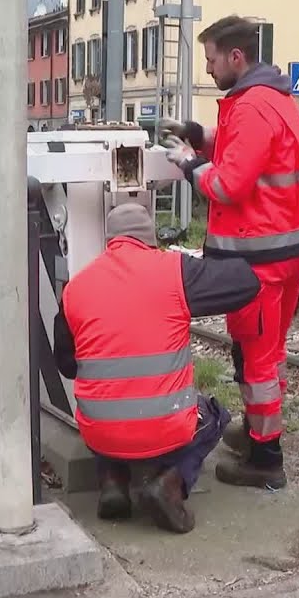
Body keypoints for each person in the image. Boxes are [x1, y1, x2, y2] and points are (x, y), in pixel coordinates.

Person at [160, 15, 299, 490]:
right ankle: (257, 430)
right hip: (289, 246)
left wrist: (189, 164)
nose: (208, 69)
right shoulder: (274, 97)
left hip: (259, 257)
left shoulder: (251, 106)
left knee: (254, 358)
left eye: (210, 60)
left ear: (235, 57)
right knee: (270, 351)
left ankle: (266, 458)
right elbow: (240, 149)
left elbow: (228, 185)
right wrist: (196, 132)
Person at [52, 203, 261, 533]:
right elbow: (246, 282)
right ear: (151, 240)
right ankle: (171, 484)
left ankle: (112, 481)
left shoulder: (76, 287)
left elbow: (66, 366)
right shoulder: (175, 271)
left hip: (99, 432)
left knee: (108, 403)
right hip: (165, 428)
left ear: (110, 240)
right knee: (214, 416)